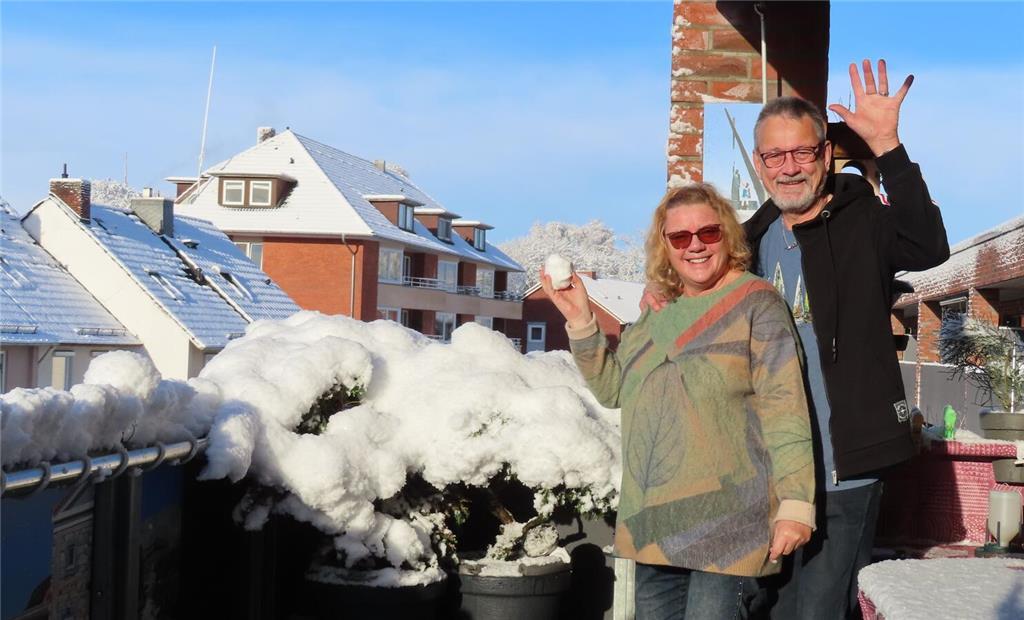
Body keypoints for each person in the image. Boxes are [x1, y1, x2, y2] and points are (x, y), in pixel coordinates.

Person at [643, 59, 950, 619]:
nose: (789, 168)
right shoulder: (750, 243)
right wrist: (662, 300)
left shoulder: (866, 222)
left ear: (826, 155)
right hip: (763, 476)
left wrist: (888, 147)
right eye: (775, 156)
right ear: (759, 165)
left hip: (845, 471)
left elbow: (929, 247)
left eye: (803, 152)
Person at [543, 183, 816, 620]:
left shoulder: (757, 304)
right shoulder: (657, 309)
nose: (695, 246)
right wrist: (579, 318)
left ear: (727, 235)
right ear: (664, 246)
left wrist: (796, 504)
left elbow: (786, 410)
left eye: (708, 233)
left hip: (730, 524)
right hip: (657, 522)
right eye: (680, 237)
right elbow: (614, 389)